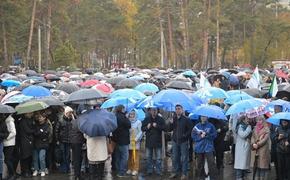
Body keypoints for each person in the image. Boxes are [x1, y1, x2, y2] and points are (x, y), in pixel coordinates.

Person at [168, 105, 192, 180]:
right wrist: (171, 123)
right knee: (175, 157)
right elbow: (169, 129)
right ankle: (175, 172)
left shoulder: (186, 119)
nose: (177, 110)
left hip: (183, 141)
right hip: (175, 141)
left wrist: (185, 136)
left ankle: (184, 173)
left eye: (179, 109)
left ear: (182, 110)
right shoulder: (174, 119)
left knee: (184, 158)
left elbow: (190, 129)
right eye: (176, 109)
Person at [141, 107, 166, 176]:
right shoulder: (147, 119)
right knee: (149, 157)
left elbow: (164, 128)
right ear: (150, 111)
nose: (154, 111)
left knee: (158, 158)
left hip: (158, 141)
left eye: (155, 110)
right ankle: (149, 170)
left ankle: (158, 170)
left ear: (157, 111)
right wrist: (147, 127)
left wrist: (157, 126)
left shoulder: (160, 119)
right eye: (152, 110)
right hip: (149, 141)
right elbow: (142, 128)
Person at [192, 116, 217, 180]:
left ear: (207, 117)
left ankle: (213, 178)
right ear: (200, 117)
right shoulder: (196, 126)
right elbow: (193, 136)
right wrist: (200, 137)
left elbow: (214, 135)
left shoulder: (211, 126)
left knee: (211, 163)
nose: (203, 118)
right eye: (202, 116)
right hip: (199, 148)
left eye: (204, 116)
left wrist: (207, 135)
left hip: (209, 147)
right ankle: (201, 177)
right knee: (200, 164)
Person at [112, 105, 131, 177]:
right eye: (124, 108)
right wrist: (127, 117)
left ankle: (118, 170)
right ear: (122, 109)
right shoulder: (123, 117)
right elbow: (129, 125)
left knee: (118, 156)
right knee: (124, 157)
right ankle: (121, 172)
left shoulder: (114, 116)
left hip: (116, 140)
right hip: (123, 140)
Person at [250, 115, 270, 180]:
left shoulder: (266, 128)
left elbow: (265, 139)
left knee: (262, 167)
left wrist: (257, 144)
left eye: (260, 120)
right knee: (256, 166)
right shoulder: (255, 128)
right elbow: (252, 137)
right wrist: (253, 143)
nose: (259, 121)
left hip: (263, 150)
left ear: (263, 120)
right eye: (258, 120)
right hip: (255, 150)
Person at [32, 113, 52, 177]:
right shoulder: (36, 124)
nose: (39, 118)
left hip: (44, 145)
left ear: (44, 118)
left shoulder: (47, 125)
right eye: (39, 117)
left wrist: (41, 133)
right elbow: (35, 133)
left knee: (41, 158)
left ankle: (43, 170)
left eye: (41, 117)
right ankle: (36, 169)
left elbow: (46, 134)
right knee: (35, 158)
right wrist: (41, 132)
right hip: (36, 144)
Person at [55, 106, 73, 173]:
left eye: (71, 112)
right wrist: (57, 140)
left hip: (69, 140)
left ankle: (67, 168)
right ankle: (64, 168)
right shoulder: (61, 120)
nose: (70, 114)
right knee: (63, 154)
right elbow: (56, 131)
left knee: (68, 155)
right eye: (69, 112)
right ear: (66, 113)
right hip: (62, 140)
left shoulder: (72, 120)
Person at [234, 116, 252, 180]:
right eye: (247, 119)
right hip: (241, 147)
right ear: (243, 120)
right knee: (240, 164)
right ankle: (239, 177)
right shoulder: (240, 126)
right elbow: (242, 135)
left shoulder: (247, 126)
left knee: (244, 164)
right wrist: (249, 129)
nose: (248, 120)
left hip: (245, 147)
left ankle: (243, 177)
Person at [18, 112, 35, 178]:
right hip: (24, 141)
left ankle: (28, 170)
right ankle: (25, 171)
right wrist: (34, 129)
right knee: (26, 157)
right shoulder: (23, 121)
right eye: (29, 113)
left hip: (29, 141)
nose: (31, 114)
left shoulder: (30, 120)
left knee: (29, 156)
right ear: (25, 114)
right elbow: (28, 131)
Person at [70, 108, 85, 180]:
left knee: (76, 158)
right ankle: (77, 175)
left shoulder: (73, 121)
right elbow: (82, 131)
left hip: (73, 142)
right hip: (78, 142)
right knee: (78, 159)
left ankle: (77, 174)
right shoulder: (80, 121)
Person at [127, 110, 142, 176]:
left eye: (133, 114)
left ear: (135, 115)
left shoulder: (138, 122)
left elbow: (141, 132)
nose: (131, 115)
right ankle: (130, 168)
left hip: (135, 142)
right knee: (130, 156)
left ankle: (135, 169)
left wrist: (136, 139)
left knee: (135, 156)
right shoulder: (128, 122)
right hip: (129, 141)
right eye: (130, 114)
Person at [3, 114, 16, 180]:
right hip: (6, 143)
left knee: (7, 160)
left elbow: (14, 132)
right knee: (8, 159)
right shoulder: (5, 121)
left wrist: (7, 137)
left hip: (10, 143)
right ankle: (11, 174)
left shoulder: (10, 121)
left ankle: (13, 174)